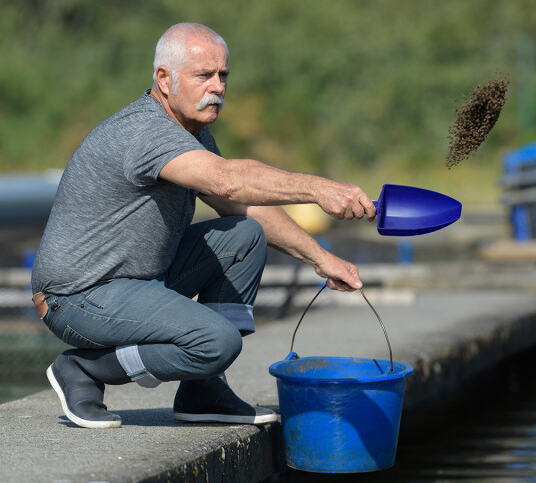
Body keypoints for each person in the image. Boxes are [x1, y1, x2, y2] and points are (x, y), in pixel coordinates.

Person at [30, 22, 376, 429]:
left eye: (223, 75)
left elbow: (241, 204)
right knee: (217, 341)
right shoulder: (145, 131)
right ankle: (87, 369)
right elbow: (228, 179)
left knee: (244, 236)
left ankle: (202, 391)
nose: (218, 87)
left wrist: (321, 259)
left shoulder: (193, 132)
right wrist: (318, 189)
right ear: (164, 79)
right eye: (203, 76)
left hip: (140, 282)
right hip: (77, 297)